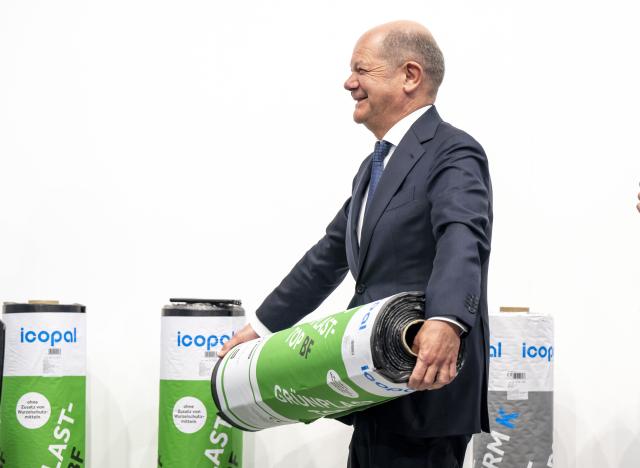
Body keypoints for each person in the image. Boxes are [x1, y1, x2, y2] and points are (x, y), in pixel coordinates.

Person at [219, 20, 493, 468]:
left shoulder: (453, 152)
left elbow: (462, 237)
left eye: (361, 70)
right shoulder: (374, 166)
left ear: (409, 76)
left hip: (425, 384)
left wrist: (446, 321)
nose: (349, 83)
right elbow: (329, 255)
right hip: (371, 382)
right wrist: (262, 330)